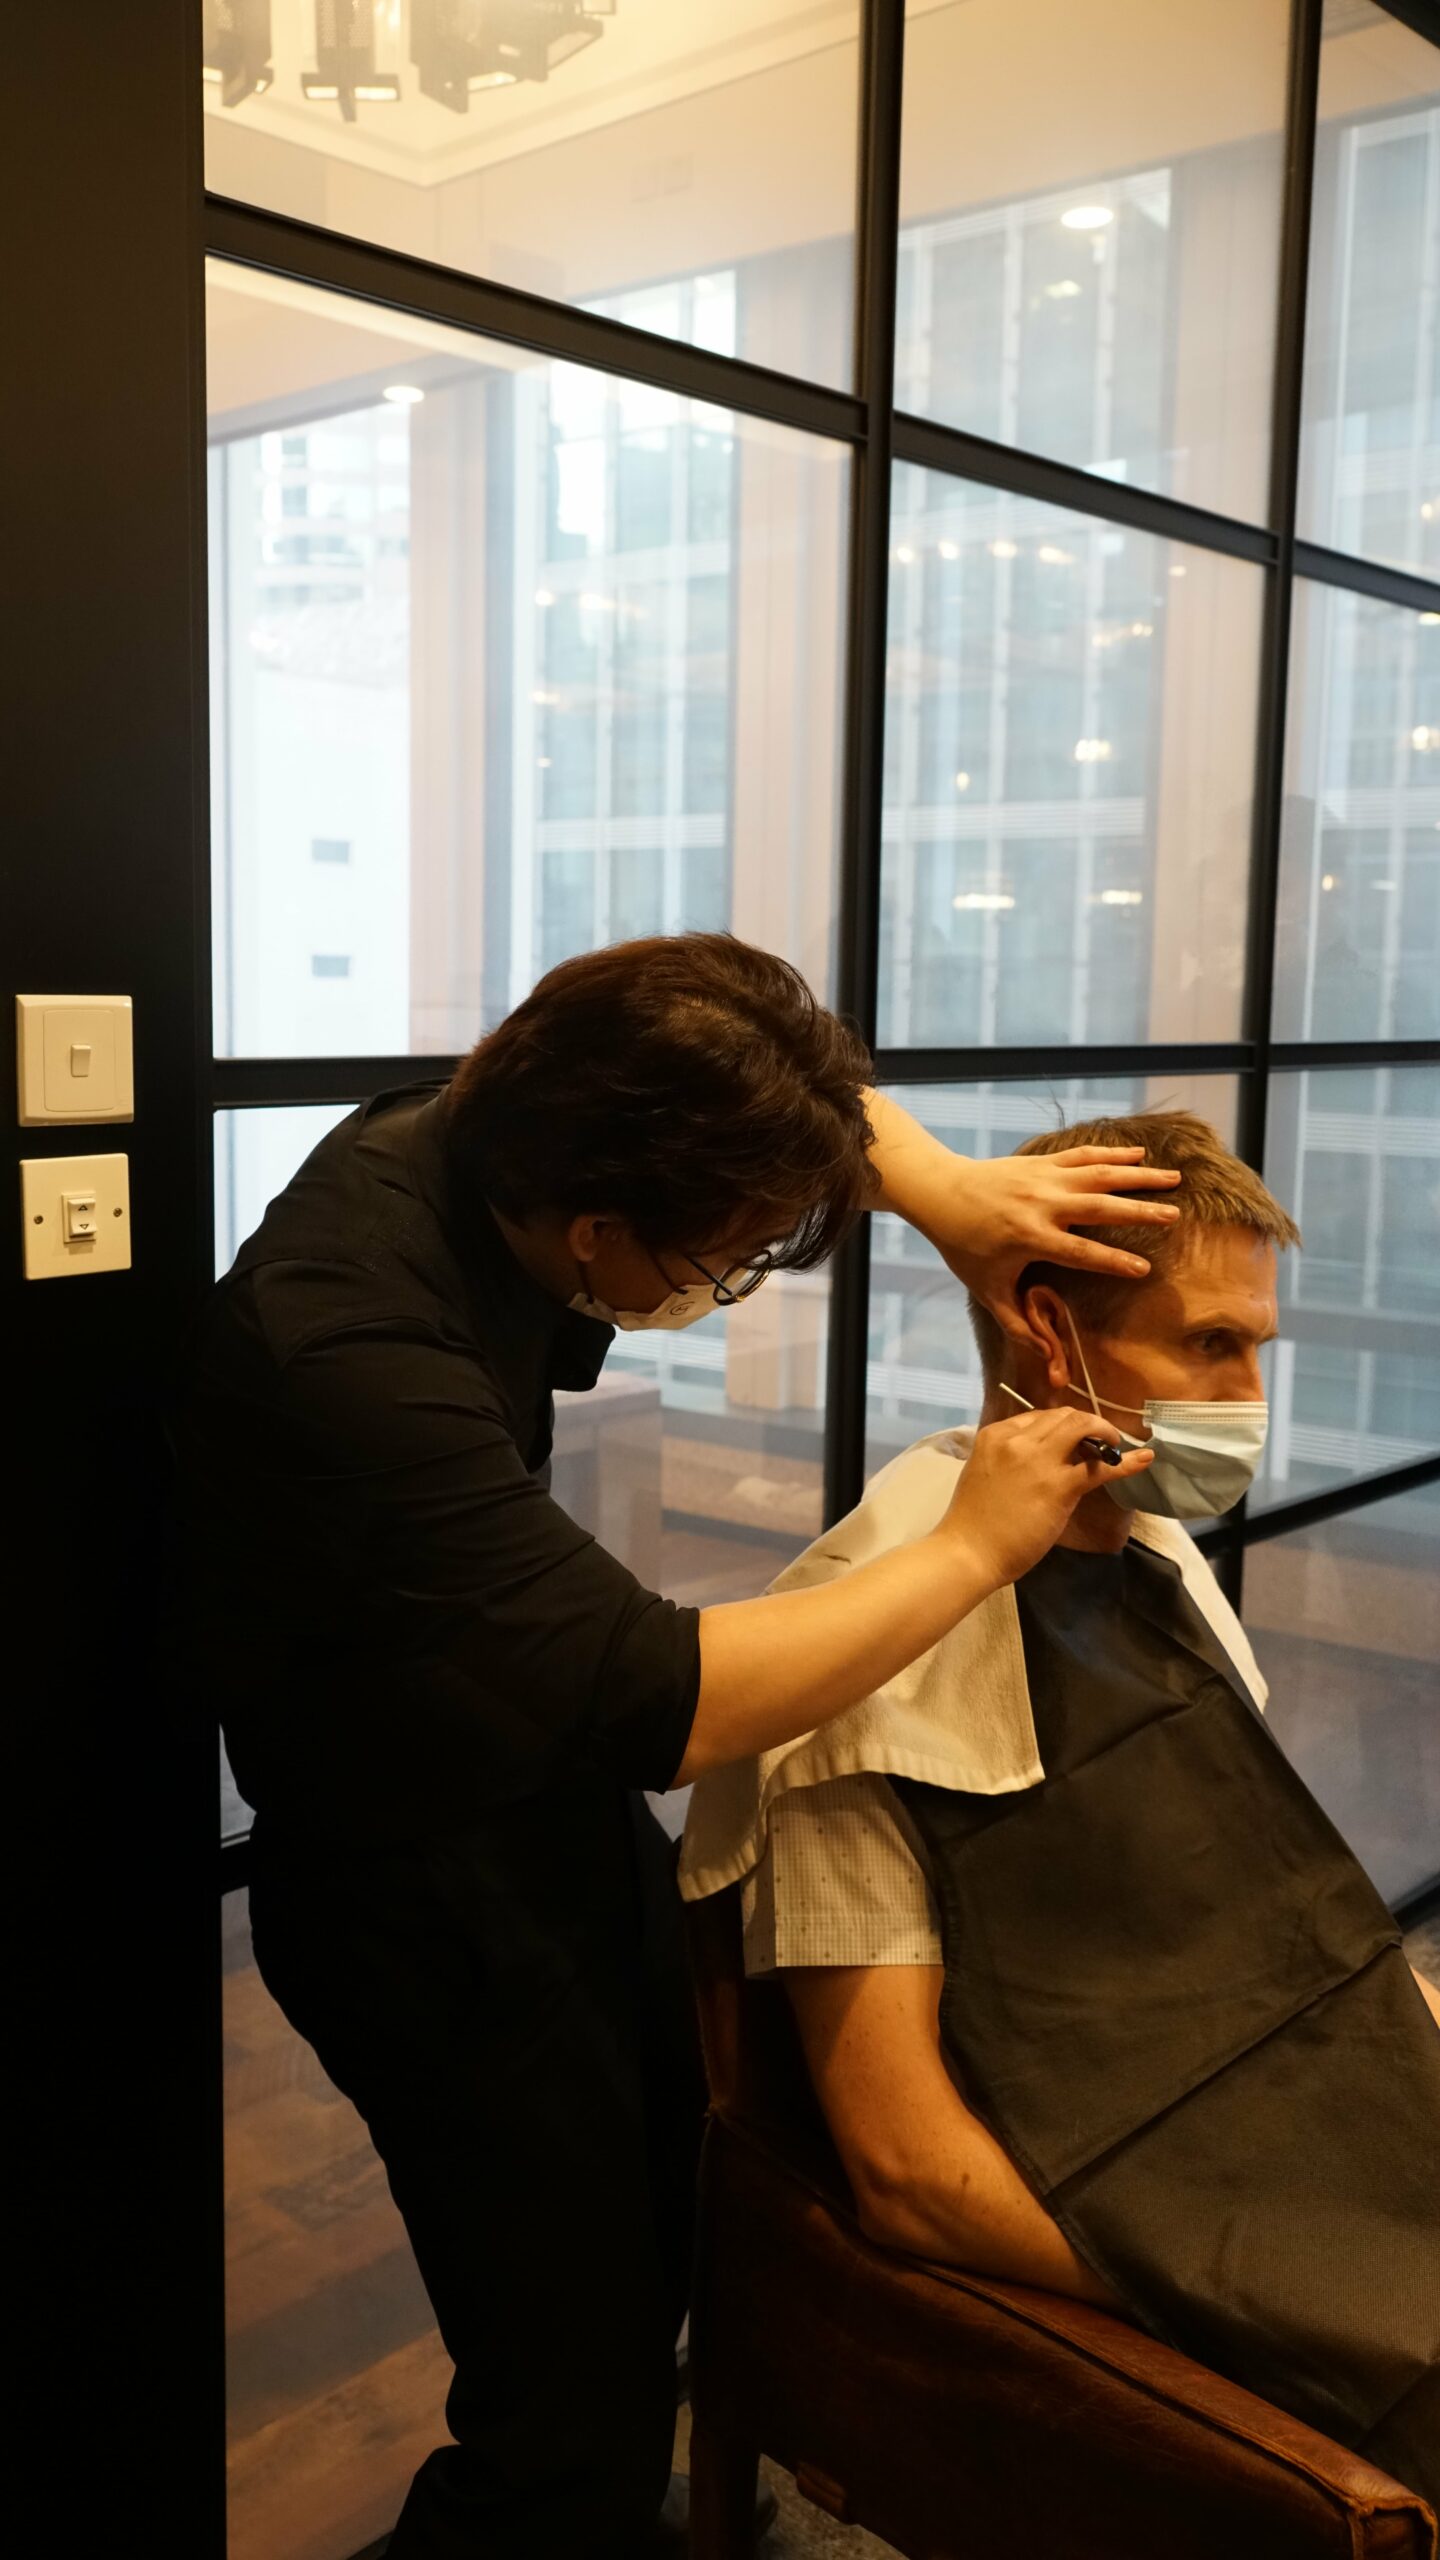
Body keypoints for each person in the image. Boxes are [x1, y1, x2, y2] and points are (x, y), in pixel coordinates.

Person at [176, 936, 1180, 2560]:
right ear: (596, 1231)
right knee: (564, 2409)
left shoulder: (508, 1117)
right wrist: (973, 1544)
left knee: (676, 2201)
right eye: (721, 1262)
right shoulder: (342, 1349)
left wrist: (948, 1199)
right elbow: (670, 1700)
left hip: (538, 1800)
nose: (726, 1287)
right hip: (405, 1891)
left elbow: (772, 1075)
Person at [681, 1108, 1440, 2508]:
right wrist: (1231, 2279)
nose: (1248, 1399)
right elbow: (910, 2171)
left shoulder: (1164, 1564)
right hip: (1172, 2221)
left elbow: (1266, 1923)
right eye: (1210, 1346)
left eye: (1259, 1351)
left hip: (1299, 2134)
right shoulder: (857, 1657)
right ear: (1051, 1331)